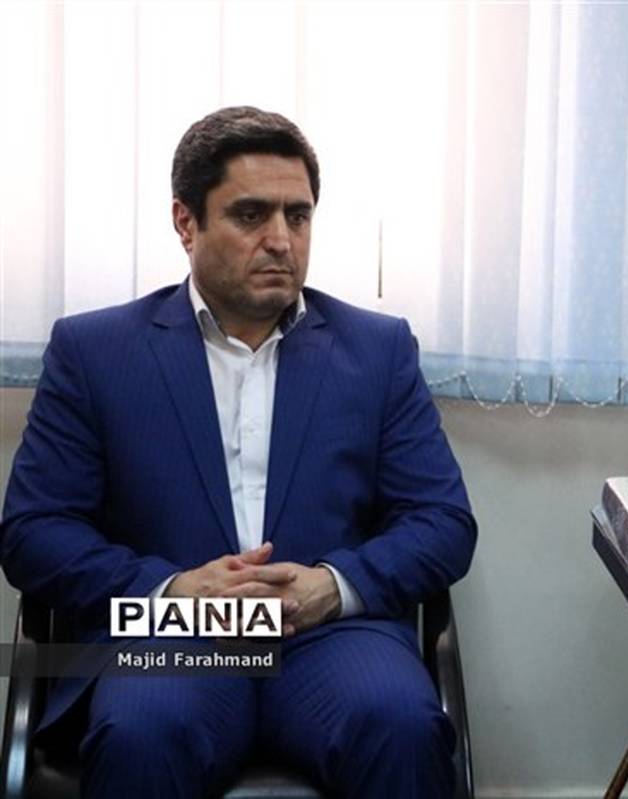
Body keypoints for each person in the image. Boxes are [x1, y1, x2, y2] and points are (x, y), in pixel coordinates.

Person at [0, 106, 477, 798]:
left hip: (331, 637)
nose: (281, 240)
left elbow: (443, 522)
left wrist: (331, 586)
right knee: (142, 732)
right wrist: (174, 591)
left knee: (400, 723)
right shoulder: (95, 351)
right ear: (185, 221)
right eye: (251, 215)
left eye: (298, 216)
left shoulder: (377, 350)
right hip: (167, 634)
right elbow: (33, 533)